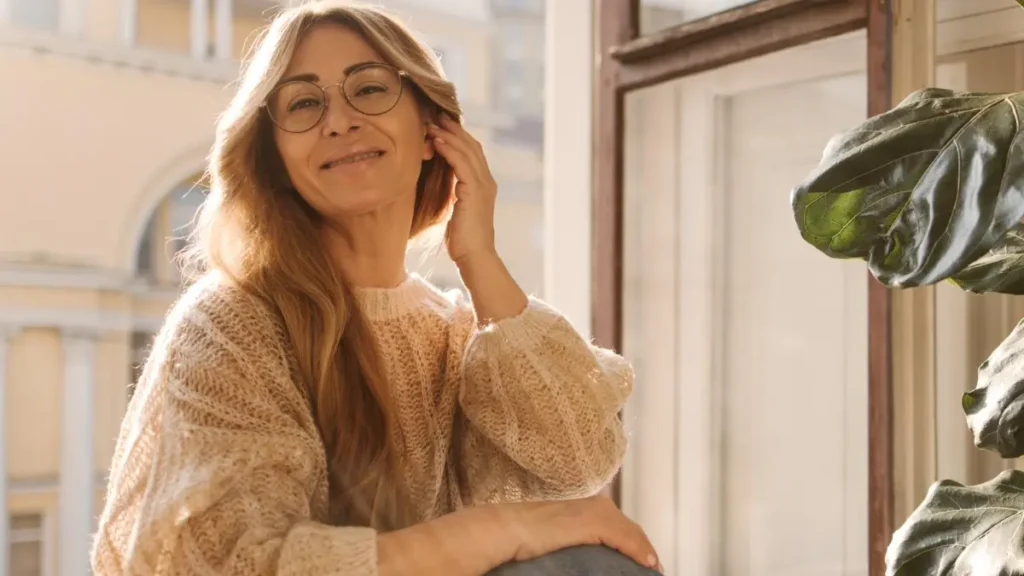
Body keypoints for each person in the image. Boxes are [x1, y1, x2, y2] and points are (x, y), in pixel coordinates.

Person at [91, 2, 660, 575]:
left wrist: (480, 258)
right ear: (276, 158)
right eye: (305, 103)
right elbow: (232, 563)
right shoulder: (230, 324)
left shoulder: (463, 336)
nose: (338, 120)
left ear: (431, 130)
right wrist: (506, 529)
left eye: (368, 89)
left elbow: (580, 461)